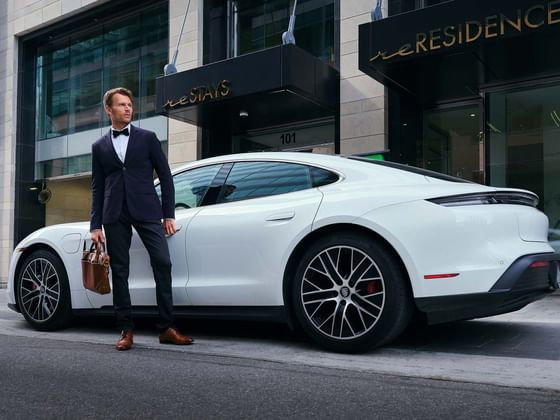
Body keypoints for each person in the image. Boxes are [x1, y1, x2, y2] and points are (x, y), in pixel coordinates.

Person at [90, 87, 194, 351]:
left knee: (162, 262)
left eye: (130, 104)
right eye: (122, 105)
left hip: (147, 210)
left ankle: (167, 327)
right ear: (108, 109)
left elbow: (166, 176)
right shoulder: (99, 146)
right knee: (120, 272)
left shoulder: (148, 138)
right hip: (114, 214)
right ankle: (126, 329)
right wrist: (95, 224)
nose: (128, 109)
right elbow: (97, 186)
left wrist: (168, 213)